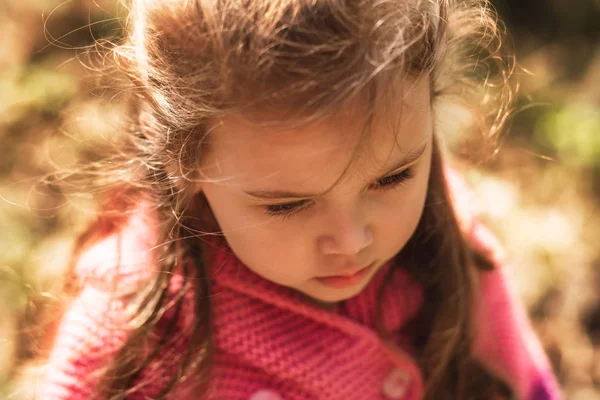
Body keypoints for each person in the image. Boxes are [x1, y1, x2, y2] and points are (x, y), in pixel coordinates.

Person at [40, 0, 562, 399]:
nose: (352, 241)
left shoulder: (452, 250)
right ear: (182, 158)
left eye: (393, 178)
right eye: (287, 205)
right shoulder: (127, 340)